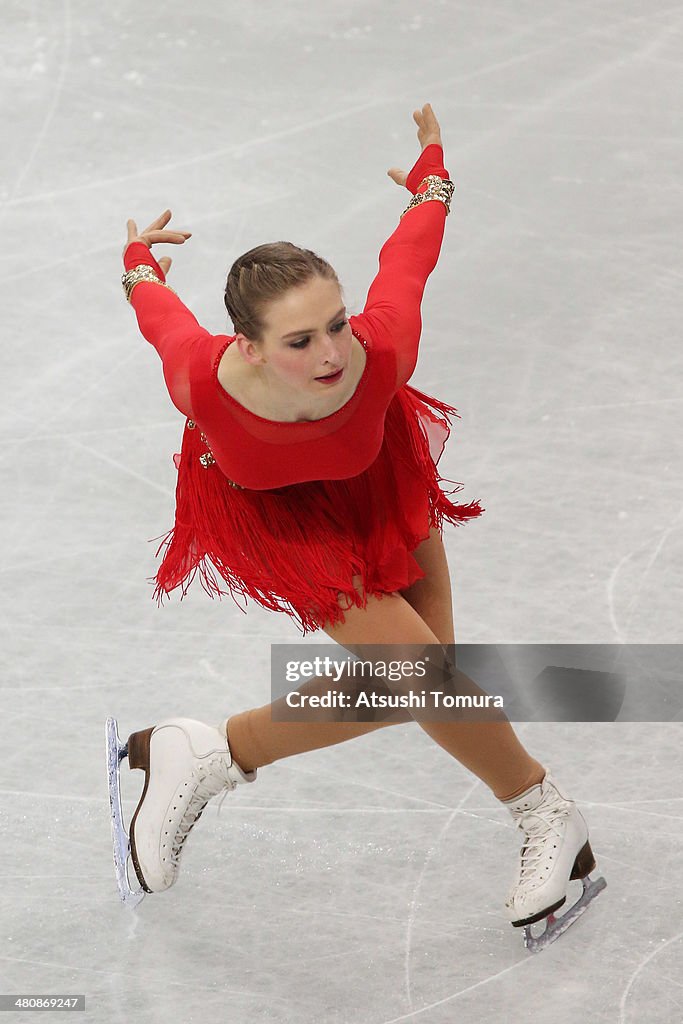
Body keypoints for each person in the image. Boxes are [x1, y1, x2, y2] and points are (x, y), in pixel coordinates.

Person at [114, 103, 605, 948]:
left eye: (335, 324)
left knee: (416, 684)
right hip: (279, 517)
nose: (331, 353)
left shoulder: (383, 350)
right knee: (419, 675)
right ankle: (546, 815)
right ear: (250, 346)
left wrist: (430, 176)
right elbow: (153, 310)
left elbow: (409, 256)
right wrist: (137, 260)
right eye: (299, 340)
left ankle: (206, 751)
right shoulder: (201, 378)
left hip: (376, 479)